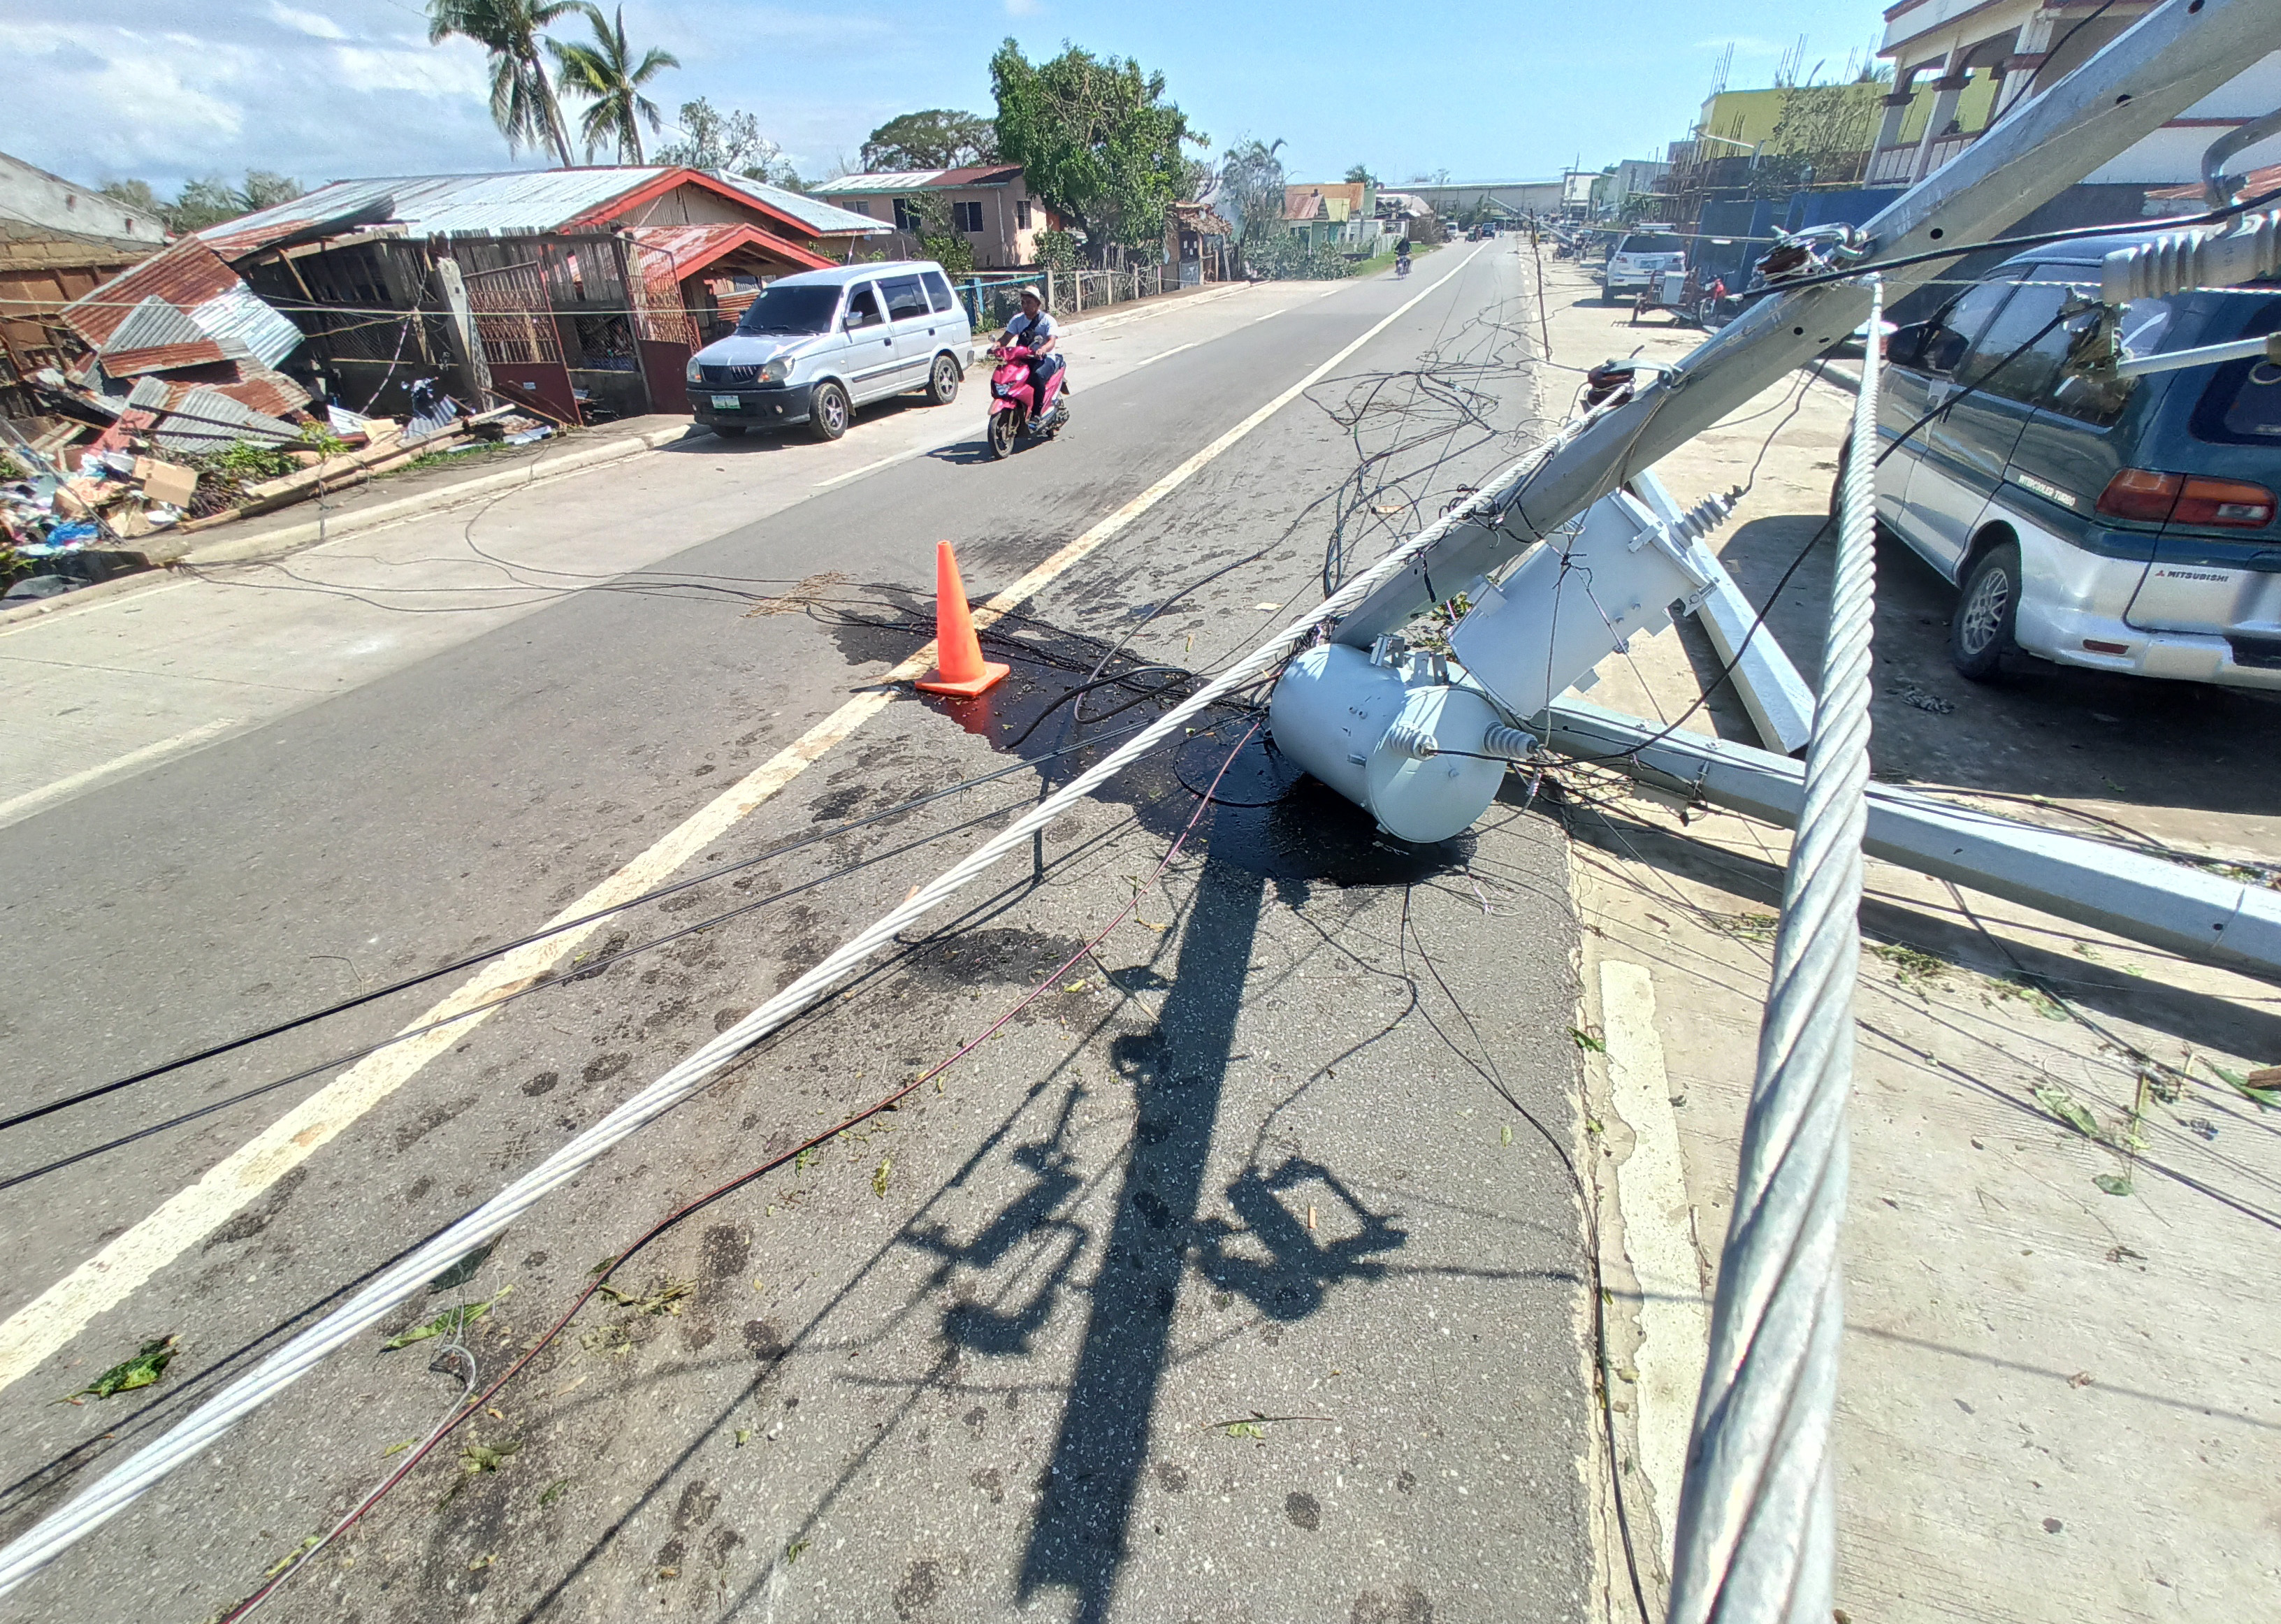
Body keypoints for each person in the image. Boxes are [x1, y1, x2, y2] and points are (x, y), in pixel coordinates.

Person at [1000, 287, 1067, 404]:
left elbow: (1051, 341)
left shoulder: (1047, 320)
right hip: (1024, 358)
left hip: (1044, 359)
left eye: (1029, 302)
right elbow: (1006, 338)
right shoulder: (1017, 320)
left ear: (1037, 304)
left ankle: (1036, 413)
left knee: (1038, 375)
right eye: (1023, 302)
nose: (1025, 306)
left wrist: (1043, 349)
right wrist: (996, 346)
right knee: (1009, 375)